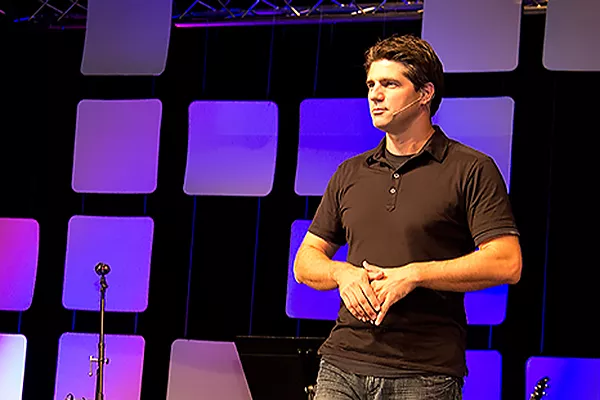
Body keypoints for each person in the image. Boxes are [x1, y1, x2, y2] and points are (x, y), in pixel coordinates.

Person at [293, 34, 522, 400]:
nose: (374, 94)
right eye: (371, 84)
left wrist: (415, 274)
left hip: (424, 373)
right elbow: (305, 262)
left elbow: (507, 262)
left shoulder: (471, 168)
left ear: (425, 93)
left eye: (389, 84)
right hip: (341, 365)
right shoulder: (350, 172)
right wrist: (342, 272)